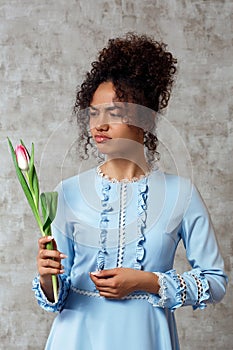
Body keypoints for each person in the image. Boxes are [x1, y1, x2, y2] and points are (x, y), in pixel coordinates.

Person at [33, 33, 228, 350]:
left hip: (145, 338)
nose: (99, 124)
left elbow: (215, 282)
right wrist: (46, 276)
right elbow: (57, 296)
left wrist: (147, 281)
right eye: (94, 113)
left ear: (143, 118)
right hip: (75, 338)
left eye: (115, 112)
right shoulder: (66, 193)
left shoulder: (181, 194)